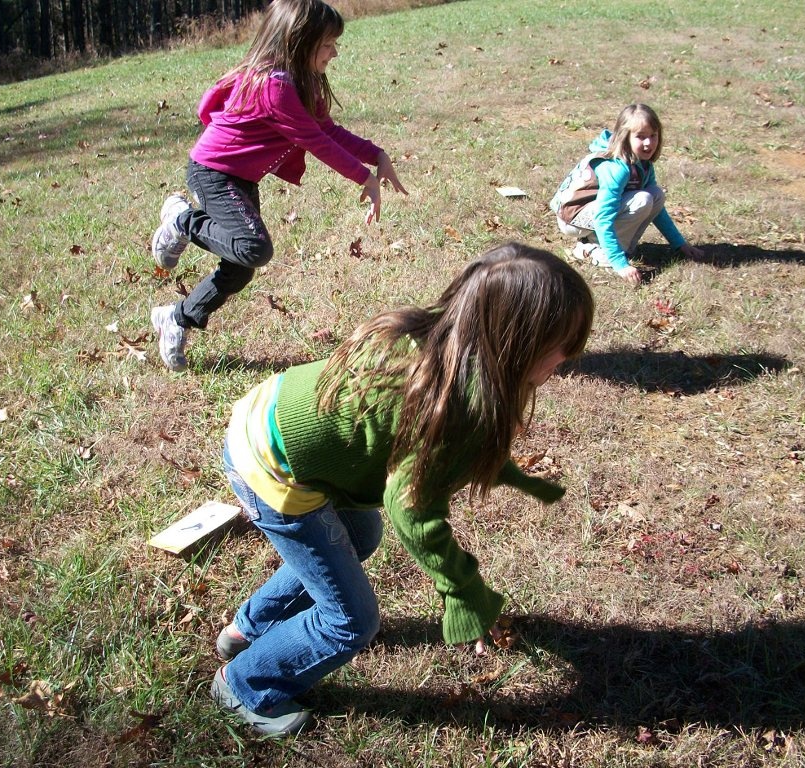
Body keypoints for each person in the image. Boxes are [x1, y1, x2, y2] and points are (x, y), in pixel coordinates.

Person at [210, 242, 595, 735]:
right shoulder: (454, 402)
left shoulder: (445, 339)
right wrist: (465, 592)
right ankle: (243, 685)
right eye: (562, 344)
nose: (569, 357)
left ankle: (248, 630)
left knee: (359, 538)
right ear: (513, 343)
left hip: (265, 416)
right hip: (273, 469)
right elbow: (412, 509)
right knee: (351, 622)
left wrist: (516, 476)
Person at [149, 0, 407, 371]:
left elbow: (326, 130)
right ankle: (181, 221)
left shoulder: (303, 81)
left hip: (239, 178)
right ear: (300, 42)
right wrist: (364, 177)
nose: (335, 52)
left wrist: (375, 154)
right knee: (254, 248)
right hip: (213, 173)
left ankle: (176, 318)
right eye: (328, 44)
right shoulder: (276, 87)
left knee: (240, 265)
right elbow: (314, 142)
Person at [549, 103, 703, 288]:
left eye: (653, 136)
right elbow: (603, 217)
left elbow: (657, 209)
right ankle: (592, 249)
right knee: (642, 199)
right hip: (573, 217)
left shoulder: (643, 164)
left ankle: (614, 248)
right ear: (625, 137)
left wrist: (679, 243)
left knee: (655, 195)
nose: (648, 143)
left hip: (592, 211)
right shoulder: (617, 168)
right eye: (641, 137)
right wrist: (619, 264)